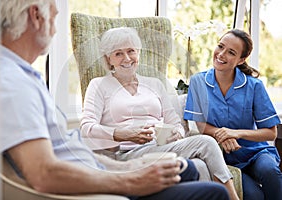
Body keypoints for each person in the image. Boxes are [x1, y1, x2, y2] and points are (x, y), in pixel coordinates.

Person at [0, 0, 231, 200]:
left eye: (131, 51)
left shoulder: (23, 76)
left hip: (143, 152)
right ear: (36, 16)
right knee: (212, 188)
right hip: (118, 160)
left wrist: (128, 168)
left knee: (191, 168)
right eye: (118, 53)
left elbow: (69, 150)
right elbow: (44, 171)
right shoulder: (12, 81)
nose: (55, 31)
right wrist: (130, 176)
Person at [81, 26, 239, 200]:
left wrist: (175, 134)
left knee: (199, 165)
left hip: (160, 147)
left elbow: (175, 122)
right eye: (118, 54)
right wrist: (122, 134)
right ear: (108, 59)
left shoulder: (155, 84)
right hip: (125, 154)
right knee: (207, 143)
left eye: (131, 51)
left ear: (138, 53)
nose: (127, 58)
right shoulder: (98, 85)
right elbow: (86, 127)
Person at [184, 29, 282, 200]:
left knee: (270, 171)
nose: (221, 54)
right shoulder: (198, 82)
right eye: (220, 46)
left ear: (241, 60)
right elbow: (200, 124)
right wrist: (222, 134)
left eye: (231, 52)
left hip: (256, 152)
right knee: (255, 196)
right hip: (223, 156)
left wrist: (236, 133)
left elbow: (271, 132)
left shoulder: (254, 86)